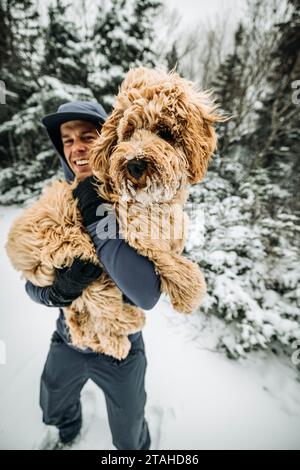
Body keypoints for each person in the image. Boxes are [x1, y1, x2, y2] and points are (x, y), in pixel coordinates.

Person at [25, 100, 161, 450]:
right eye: (67, 140)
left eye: (87, 136)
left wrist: (93, 204)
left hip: (121, 348)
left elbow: (146, 294)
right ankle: (68, 432)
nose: (76, 147)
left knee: (128, 435)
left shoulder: (137, 199)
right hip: (68, 338)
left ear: (108, 141)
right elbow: (31, 281)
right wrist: (57, 292)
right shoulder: (54, 204)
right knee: (51, 404)